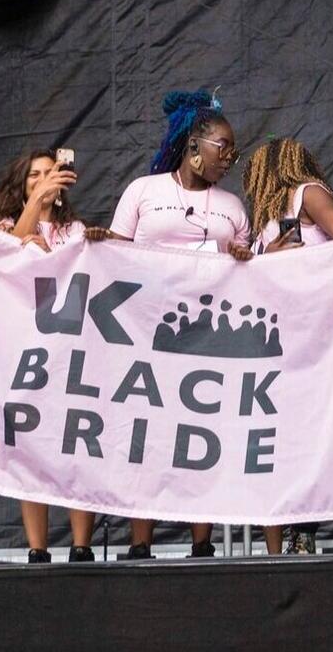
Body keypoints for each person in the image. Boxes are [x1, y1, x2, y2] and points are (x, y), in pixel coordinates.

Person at [99, 90, 255, 559]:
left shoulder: (232, 206)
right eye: (222, 146)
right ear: (193, 147)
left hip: (207, 337)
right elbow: (116, 255)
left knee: (200, 437)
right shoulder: (143, 192)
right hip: (149, 333)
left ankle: (202, 544)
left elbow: (248, 274)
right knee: (144, 437)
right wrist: (96, 240)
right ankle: (139, 544)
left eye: (234, 149)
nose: (230, 157)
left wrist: (245, 258)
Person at [240, 135, 333, 554]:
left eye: (256, 171)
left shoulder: (305, 195)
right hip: (283, 347)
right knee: (292, 443)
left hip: (322, 340)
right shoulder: (266, 222)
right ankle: (297, 535)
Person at [0, 149, 99, 562]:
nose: (45, 180)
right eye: (35, 175)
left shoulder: (76, 230)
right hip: (26, 350)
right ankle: (37, 549)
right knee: (33, 447)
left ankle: (81, 545)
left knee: (76, 444)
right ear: (23, 184)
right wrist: (34, 210)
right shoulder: (4, 226)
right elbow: (3, 257)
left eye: (52, 173)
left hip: (72, 349)